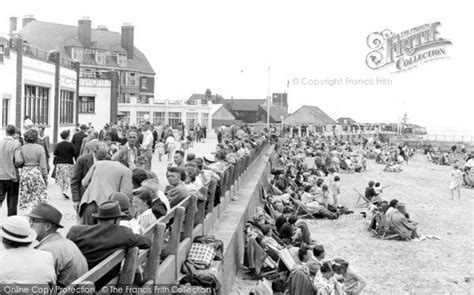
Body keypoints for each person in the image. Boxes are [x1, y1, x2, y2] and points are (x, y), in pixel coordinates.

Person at [67, 201, 151, 288]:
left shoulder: (75, 232)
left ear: (98, 218)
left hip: (76, 282)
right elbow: (147, 242)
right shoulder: (123, 233)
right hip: (104, 285)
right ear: (117, 220)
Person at [28, 203, 88, 287]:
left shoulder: (46, 251)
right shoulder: (65, 242)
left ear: (47, 226)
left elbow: (37, 284)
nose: (30, 225)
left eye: (33, 221)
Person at [79, 149, 133, 225]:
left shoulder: (98, 164)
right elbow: (126, 194)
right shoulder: (126, 170)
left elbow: (84, 182)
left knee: (86, 233)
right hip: (108, 209)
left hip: (89, 203)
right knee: (104, 234)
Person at [0, 215, 56, 285]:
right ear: (28, 239)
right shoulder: (47, 257)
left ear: (4, 240)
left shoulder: (2, 259)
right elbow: (52, 288)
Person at [16, 129, 48, 212]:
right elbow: (43, 165)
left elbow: (19, 161)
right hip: (35, 172)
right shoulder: (40, 148)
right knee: (38, 195)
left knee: (27, 195)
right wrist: (45, 177)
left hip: (25, 172)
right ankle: (34, 212)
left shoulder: (22, 148)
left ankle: (28, 212)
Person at [71, 141, 102, 213]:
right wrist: (76, 200)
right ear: (94, 151)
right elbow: (75, 180)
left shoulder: (107, 158)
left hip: (100, 198)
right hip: (85, 197)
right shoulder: (82, 160)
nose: (103, 156)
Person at [0, 125, 21, 216]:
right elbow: (19, 160)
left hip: (0, 176)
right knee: (12, 202)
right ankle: (11, 224)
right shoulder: (16, 143)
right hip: (12, 177)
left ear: (6, 132)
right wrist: (16, 166)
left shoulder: (0, 143)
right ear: (14, 133)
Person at [53, 130, 76, 199]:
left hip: (60, 163)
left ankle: (62, 191)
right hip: (69, 163)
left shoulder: (58, 145)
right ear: (67, 136)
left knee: (61, 179)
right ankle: (65, 191)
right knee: (68, 178)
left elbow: (55, 154)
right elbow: (74, 154)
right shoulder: (71, 145)